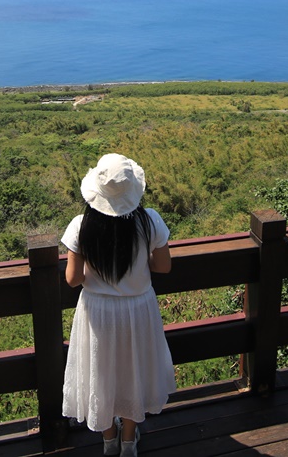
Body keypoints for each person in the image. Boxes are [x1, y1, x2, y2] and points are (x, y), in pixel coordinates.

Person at [62, 153, 176, 457]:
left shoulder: (80, 226)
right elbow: (163, 267)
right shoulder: (149, 220)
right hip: (138, 309)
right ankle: (129, 441)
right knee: (132, 370)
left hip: (97, 311)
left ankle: (108, 439)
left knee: (101, 371)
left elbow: (73, 279)